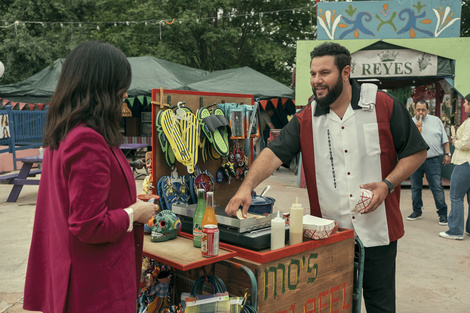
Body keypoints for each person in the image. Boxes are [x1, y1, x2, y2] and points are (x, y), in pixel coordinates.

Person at [225, 42, 428, 313]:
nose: (316, 81)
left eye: (324, 73)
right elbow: (273, 153)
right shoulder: (307, 118)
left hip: (379, 232)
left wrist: (387, 184)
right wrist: (246, 187)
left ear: (345, 72)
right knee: (332, 303)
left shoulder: (382, 105)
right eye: (312, 74)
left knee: (380, 305)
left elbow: (417, 152)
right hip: (330, 236)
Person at [23, 41, 155, 313]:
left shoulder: (63, 132)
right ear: (104, 87)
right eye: (121, 86)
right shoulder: (86, 139)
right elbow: (88, 224)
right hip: (94, 285)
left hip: (70, 271)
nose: (125, 93)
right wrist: (134, 212)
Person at [406, 99, 450, 225]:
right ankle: (416, 211)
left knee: (437, 187)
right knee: (415, 186)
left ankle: (442, 214)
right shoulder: (410, 122)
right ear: (414, 110)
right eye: (418, 109)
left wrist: (447, 153)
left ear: (427, 110)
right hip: (415, 160)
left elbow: (444, 139)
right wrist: (415, 129)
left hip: (433, 160)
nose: (420, 112)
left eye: (423, 110)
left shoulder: (436, 120)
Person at [439, 94, 470, 240]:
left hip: (464, 162)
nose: (463, 105)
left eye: (465, 103)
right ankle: (468, 228)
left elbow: (465, 144)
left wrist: (454, 142)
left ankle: (455, 231)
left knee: (456, 196)